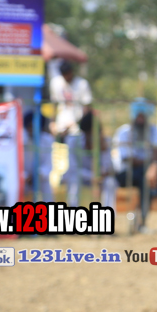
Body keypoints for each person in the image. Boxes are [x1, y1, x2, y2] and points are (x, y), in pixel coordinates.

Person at [111, 100, 157, 232]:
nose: (141, 120)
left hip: (145, 171)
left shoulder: (152, 130)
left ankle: (145, 220)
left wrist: (154, 166)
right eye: (138, 116)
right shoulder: (123, 132)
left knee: (152, 179)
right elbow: (128, 159)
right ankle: (141, 219)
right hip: (125, 172)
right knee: (146, 178)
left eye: (143, 116)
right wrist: (150, 164)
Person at [49, 60, 93, 206]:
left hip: (75, 132)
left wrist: (75, 125)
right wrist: (52, 123)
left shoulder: (82, 84)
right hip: (59, 132)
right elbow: (55, 105)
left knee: (73, 169)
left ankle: (73, 204)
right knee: (56, 168)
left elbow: (86, 109)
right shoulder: (56, 83)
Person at [22, 110, 54, 203]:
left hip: (41, 180)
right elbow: (15, 164)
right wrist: (25, 176)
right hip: (24, 181)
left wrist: (37, 175)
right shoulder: (21, 139)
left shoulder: (47, 140)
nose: (32, 129)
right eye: (30, 126)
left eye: (35, 126)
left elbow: (48, 165)